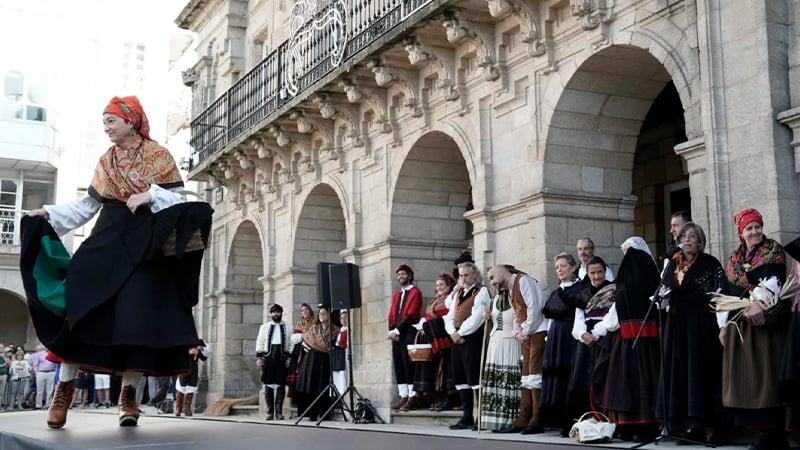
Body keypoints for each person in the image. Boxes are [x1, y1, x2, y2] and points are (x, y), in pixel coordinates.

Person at [21, 95, 213, 428]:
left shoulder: (159, 156)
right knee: (80, 310)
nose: (106, 127)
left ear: (130, 121)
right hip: (107, 238)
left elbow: (177, 199)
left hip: (145, 244)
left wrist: (150, 194)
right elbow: (86, 207)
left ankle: (128, 400)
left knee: (138, 322)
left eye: (111, 120)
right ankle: (63, 390)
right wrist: (48, 213)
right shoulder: (105, 161)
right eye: (105, 121)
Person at [720, 208, 787, 450]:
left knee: (766, 377)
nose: (755, 231)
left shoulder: (772, 250)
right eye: (749, 228)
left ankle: (772, 434)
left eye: (757, 226)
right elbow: (726, 293)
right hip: (741, 325)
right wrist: (723, 325)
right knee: (746, 380)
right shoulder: (734, 260)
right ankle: (759, 433)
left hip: (765, 323)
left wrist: (753, 304)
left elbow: (773, 282)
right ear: (741, 233)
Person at [657, 223, 727, 443]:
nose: (687, 239)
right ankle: (690, 426)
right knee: (681, 372)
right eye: (684, 235)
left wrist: (722, 325)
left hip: (701, 324)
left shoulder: (710, 263)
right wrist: (663, 298)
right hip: (677, 325)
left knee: (702, 371)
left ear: (700, 241)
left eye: (693, 236)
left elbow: (720, 293)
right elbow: (661, 295)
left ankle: (712, 425)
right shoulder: (672, 265)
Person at [599, 237, 661, 442]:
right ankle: (649, 424)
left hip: (626, 341)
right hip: (650, 341)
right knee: (648, 377)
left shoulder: (626, 279)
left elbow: (612, 321)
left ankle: (627, 425)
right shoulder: (652, 274)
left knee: (625, 381)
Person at [489, 265, 546, 434]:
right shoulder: (511, 288)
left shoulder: (524, 281)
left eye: (492, 277)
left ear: (502, 272)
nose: (492, 282)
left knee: (535, 375)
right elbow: (517, 313)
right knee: (527, 376)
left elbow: (534, 308)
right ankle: (524, 417)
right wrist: (517, 332)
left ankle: (537, 419)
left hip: (537, 331)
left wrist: (525, 331)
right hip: (527, 334)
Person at [540, 253, 583, 437]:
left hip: (571, 334)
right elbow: (551, 316)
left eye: (563, 266)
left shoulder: (581, 288)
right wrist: (549, 336)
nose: (559, 270)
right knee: (555, 376)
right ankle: (555, 420)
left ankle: (570, 421)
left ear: (573, 268)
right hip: (556, 335)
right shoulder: (556, 292)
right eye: (557, 267)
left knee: (569, 375)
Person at [567, 257, 616, 419]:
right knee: (582, 379)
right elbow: (578, 320)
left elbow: (612, 317)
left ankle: (604, 417)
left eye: (600, 272)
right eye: (593, 273)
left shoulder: (613, 291)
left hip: (605, 338)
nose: (596, 276)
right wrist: (582, 334)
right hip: (585, 343)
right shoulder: (583, 293)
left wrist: (595, 333)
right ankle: (583, 419)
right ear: (587, 273)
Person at [444, 261, 489, 430]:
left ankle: (480, 416)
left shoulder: (481, 291)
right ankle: (467, 416)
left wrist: (460, 333)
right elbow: (449, 313)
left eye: (466, 275)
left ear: (474, 274)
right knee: (461, 377)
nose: (463, 278)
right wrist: (452, 333)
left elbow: (476, 317)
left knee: (474, 376)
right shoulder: (459, 293)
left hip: (472, 338)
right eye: (461, 275)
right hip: (456, 337)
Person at [479, 276, 522, 431]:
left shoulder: (516, 297)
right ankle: (493, 421)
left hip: (511, 340)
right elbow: (495, 320)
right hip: (495, 341)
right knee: (495, 379)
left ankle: (512, 420)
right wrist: (487, 317)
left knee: (509, 380)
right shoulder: (495, 298)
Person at [407, 273, 455, 412]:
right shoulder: (434, 301)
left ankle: (448, 398)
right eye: (437, 285)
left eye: (442, 285)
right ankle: (431, 398)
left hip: (443, 337)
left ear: (449, 286)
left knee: (444, 369)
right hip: (430, 339)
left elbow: (449, 317)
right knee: (432, 370)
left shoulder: (450, 299)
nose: (438, 287)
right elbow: (426, 317)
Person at [294, 304, 339, 421]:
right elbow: (306, 341)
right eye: (320, 314)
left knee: (323, 385)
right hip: (312, 359)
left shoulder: (334, 329)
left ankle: (325, 412)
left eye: (324, 313)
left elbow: (333, 345)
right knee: (312, 385)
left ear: (329, 315)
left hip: (325, 360)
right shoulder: (314, 328)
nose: (321, 316)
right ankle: (312, 412)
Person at [387, 264, 422, 410]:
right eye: (399, 274)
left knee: (409, 365)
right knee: (399, 365)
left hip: (408, 332)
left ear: (409, 276)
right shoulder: (397, 295)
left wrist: (397, 331)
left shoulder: (415, 292)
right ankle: (404, 395)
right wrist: (391, 331)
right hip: (397, 334)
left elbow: (412, 314)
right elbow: (391, 314)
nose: (401, 276)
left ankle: (413, 397)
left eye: (403, 274)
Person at [255, 304, 291, 420]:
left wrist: (289, 358)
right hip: (268, 358)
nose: (276, 314)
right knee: (268, 385)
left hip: (281, 358)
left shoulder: (288, 327)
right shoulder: (264, 327)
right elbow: (260, 342)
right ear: (271, 314)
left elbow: (291, 343)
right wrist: (259, 357)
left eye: (278, 312)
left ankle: (279, 412)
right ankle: (270, 411)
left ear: (281, 313)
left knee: (281, 385)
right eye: (274, 312)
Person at [287, 303, 315, 416]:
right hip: (299, 353)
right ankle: (301, 410)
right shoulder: (299, 323)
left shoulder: (315, 322)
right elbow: (293, 339)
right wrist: (302, 336)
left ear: (310, 310)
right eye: (302, 310)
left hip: (311, 351)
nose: (304, 312)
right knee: (300, 381)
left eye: (306, 309)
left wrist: (305, 336)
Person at [175, 340, 207, 417]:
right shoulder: (183, 343)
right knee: (181, 388)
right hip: (184, 367)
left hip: (193, 369)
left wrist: (200, 351)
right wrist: (189, 352)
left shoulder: (198, 344)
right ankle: (178, 408)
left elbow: (203, 358)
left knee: (191, 388)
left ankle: (187, 408)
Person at [332, 310, 349, 398]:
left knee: (343, 374)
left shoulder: (348, 330)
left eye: (345, 318)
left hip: (344, 353)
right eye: (342, 318)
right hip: (338, 354)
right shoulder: (340, 330)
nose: (344, 320)